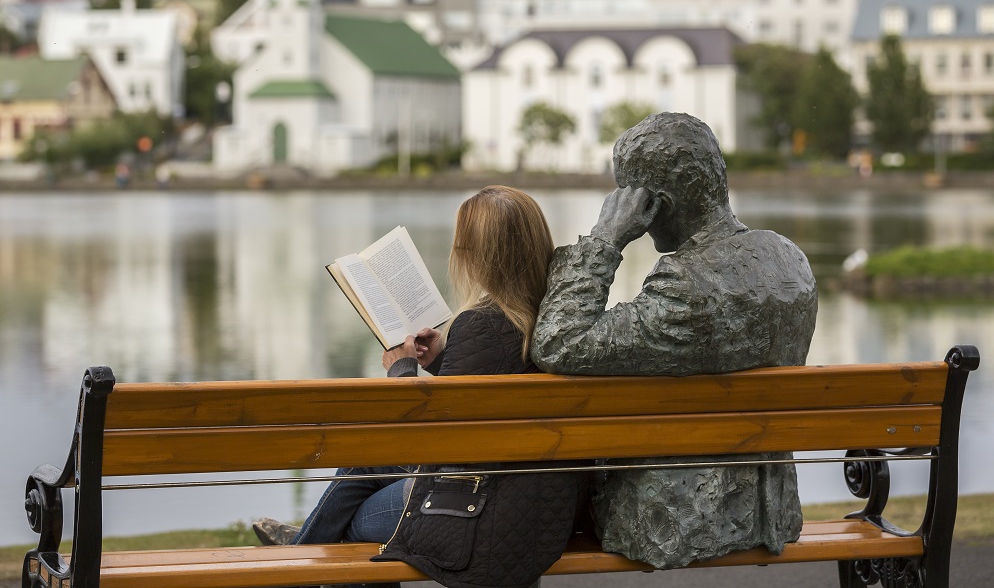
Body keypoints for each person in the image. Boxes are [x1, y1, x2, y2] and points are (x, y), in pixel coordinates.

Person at [254, 185, 583, 588]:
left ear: (478, 255)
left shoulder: (481, 322)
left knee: (358, 519)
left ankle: (302, 556)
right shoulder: (556, 318)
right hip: (540, 496)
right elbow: (486, 397)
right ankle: (303, 548)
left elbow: (426, 444)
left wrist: (403, 371)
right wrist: (444, 359)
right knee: (365, 462)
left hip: (483, 503)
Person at [530, 112, 818, 570]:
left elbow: (560, 342)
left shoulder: (686, 286)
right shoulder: (789, 259)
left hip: (676, 518)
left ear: (653, 204)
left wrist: (605, 240)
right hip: (771, 511)